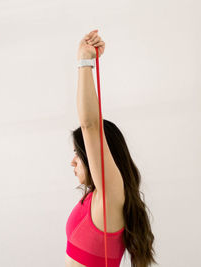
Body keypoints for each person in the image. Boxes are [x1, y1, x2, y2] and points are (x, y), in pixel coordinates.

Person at [65, 29, 158, 267]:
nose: (72, 161)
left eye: (78, 153)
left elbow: (90, 125)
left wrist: (84, 61)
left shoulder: (110, 197)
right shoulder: (97, 198)